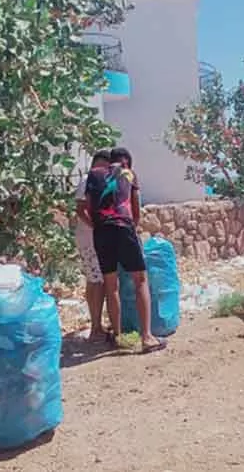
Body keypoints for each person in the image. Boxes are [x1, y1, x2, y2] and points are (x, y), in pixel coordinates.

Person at [86, 147, 166, 354]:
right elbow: (135, 208)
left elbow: (89, 206)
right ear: (126, 162)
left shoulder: (93, 174)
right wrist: (132, 228)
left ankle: (118, 336)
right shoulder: (128, 173)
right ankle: (147, 338)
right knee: (140, 280)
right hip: (123, 227)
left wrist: (100, 227)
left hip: (101, 232)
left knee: (111, 284)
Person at [74, 150, 111, 342]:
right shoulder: (87, 181)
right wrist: (98, 227)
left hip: (95, 237)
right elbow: (81, 210)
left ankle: (97, 324)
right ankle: (96, 328)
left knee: (95, 279)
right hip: (90, 238)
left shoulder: (104, 182)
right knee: (97, 281)